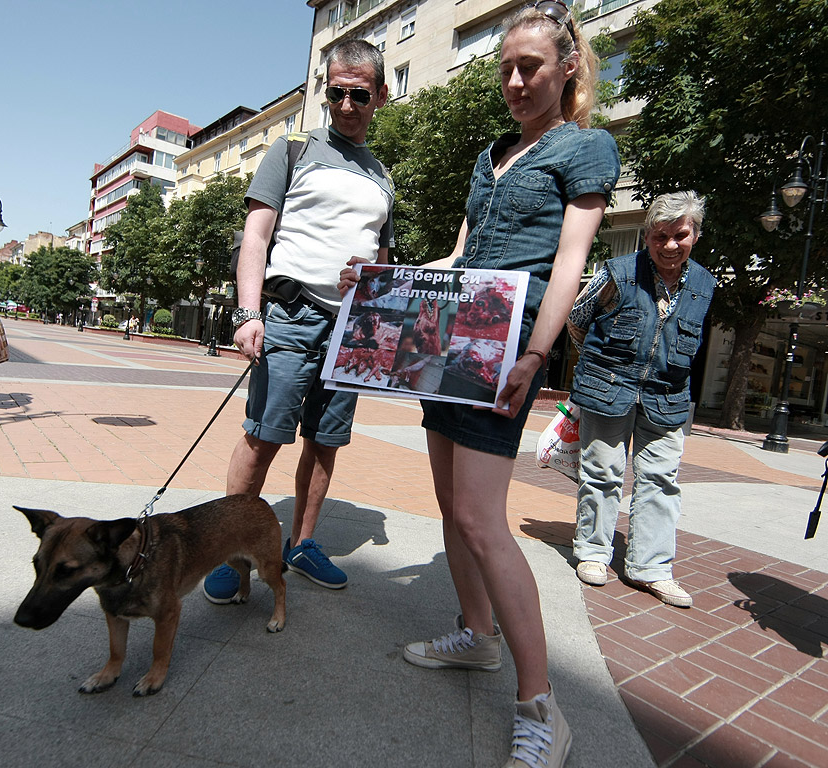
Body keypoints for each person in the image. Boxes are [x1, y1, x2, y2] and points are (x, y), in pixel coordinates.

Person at [340, 4, 619, 766]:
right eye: (505, 67)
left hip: (506, 346)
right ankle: (477, 635)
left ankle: (542, 706)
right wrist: (382, 283)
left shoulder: (586, 147)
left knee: (480, 517)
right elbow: (459, 258)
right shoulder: (490, 154)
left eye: (530, 65)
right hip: (451, 339)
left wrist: (537, 351)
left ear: (567, 68)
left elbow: (568, 264)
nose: (516, 80)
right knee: (450, 507)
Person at [203, 38, 393, 602]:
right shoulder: (291, 150)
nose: (346, 104)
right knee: (263, 436)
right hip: (290, 314)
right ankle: (231, 552)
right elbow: (255, 238)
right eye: (335, 93)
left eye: (359, 94)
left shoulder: (383, 177)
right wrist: (247, 312)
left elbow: (382, 257)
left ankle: (303, 543)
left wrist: (375, 270)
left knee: (326, 442)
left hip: (353, 328)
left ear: (380, 95)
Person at [568, 191, 713, 609]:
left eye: (680, 235)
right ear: (646, 236)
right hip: (608, 388)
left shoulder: (705, 285)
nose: (670, 245)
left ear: (695, 235)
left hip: (667, 396)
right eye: (660, 236)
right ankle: (593, 552)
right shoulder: (616, 272)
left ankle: (651, 568)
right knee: (603, 472)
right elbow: (577, 320)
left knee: (661, 481)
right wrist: (599, 367)